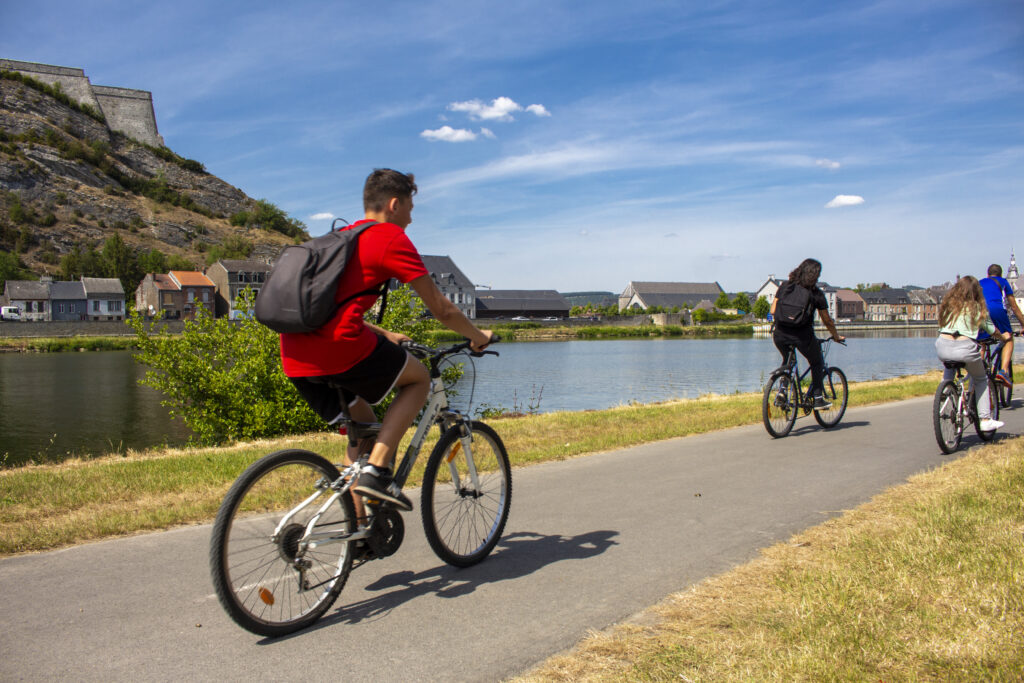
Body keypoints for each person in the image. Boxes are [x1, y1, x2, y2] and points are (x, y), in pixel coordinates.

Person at [279, 169, 494, 512]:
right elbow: (442, 308)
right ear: (395, 204)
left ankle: (359, 530)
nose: (410, 219)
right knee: (419, 379)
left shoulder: (338, 239)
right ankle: (378, 471)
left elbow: (330, 310)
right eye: (410, 209)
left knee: (364, 431)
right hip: (340, 349)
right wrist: (478, 336)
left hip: (294, 354)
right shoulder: (389, 238)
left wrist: (384, 333)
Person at [936, 275, 1010, 432]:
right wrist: (1003, 336)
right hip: (965, 348)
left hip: (942, 345)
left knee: (950, 360)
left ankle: (946, 390)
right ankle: (985, 419)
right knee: (981, 378)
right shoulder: (976, 308)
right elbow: (991, 329)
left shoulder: (949, 305)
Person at [770, 258, 844, 408]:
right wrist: (836, 336)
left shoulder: (785, 286)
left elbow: (772, 310)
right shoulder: (816, 294)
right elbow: (827, 321)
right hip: (802, 336)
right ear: (815, 275)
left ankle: (783, 391)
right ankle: (817, 397)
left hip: (779, 334)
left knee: (787, 360)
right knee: (817, 362)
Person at [979, 263, 1024, 387]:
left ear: (987, 274)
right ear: (1001, 274)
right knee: (1008, 338)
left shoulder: (980, 282)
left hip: (980, 312)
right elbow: (1014, 307)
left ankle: (980, 367)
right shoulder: (1003, 282)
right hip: (997, 310)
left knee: (981, 341)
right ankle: (1003, 371)